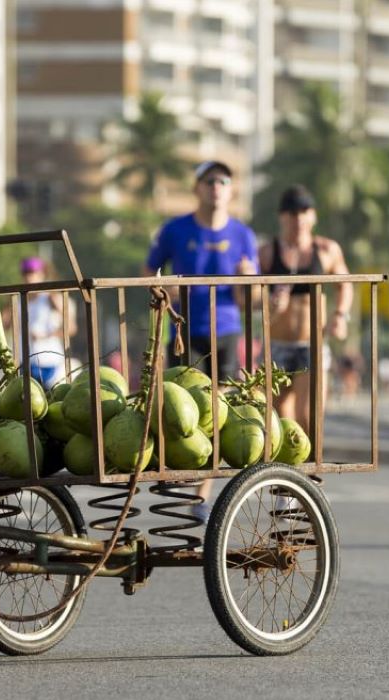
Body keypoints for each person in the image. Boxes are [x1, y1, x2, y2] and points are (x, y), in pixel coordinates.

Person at [144, 160, 259, 520]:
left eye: (224, 180)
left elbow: (251, 298)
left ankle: (202, 492)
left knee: (221, 408)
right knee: (181, 405)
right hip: (184, 330)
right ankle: (179, 465)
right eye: (210, 180)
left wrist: (248, 279)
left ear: (231, 190)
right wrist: (165, 288)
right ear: (197, 187)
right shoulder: (175, 229)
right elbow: (149, 271)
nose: (216, 186)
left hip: (225, 329)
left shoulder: (244, 235)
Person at [259, 185, 353, 427]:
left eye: (304, 211)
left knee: (308, 416)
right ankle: (284, 467)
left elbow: (345, 285)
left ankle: (309, 465)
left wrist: (341, 315)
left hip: (311, 344)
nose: (298, 218)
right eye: (292, 212)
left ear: (313, 215)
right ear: (282, 216)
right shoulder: (268, 252)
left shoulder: (326, 250)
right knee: (278, 420)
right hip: (276, 346)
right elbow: (247, 297)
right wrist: (269, 303)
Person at [17, 256, 74, 388]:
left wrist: (45, 335)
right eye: (25, 273)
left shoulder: (50, 297)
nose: (28, 277)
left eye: (32, 273)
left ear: (41, 274)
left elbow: (71, 327)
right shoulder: (18, 299)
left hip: (49, 361)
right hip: (25, 361)